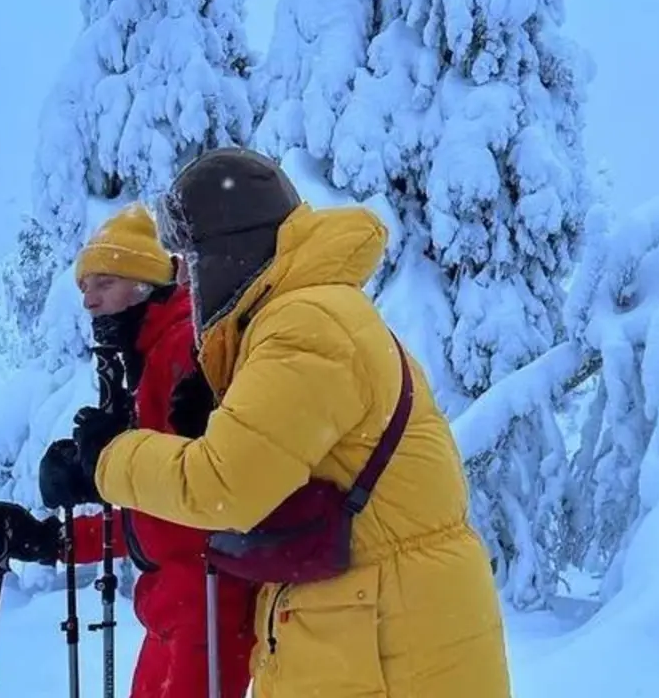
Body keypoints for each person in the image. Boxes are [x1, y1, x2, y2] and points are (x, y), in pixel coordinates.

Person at [40, 148, 512, 697]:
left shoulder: (307, 323)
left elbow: (224, 487)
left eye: (194, 261)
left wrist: (108, 459)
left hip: (384, 639)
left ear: (230, 250)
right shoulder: (301, 317)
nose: (189, 281)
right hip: (359, 628)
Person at [0, 203, 258, 698]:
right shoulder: (144, 360)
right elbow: (151, 511)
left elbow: (201, 491)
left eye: (104, 283)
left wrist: (107, 464)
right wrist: (51, 540)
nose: (88, 301)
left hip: (210, 601)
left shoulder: (185, 349)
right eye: (84, 287)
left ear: (143, 282)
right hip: (174, 606)